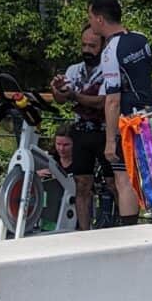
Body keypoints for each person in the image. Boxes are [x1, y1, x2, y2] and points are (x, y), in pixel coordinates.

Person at [88, 0, 152, 227]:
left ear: (99, 19)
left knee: (123, 176)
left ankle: (129, 228)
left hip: (128, 118)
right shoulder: (141, 39)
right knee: (144, 172)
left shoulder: (110, 51)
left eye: (90, 18)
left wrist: (110, 140)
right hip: (149, 111)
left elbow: (112, 100)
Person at [50, 25, 111, 230]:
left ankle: (123, 228)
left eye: (92, 45)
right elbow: (61, 99)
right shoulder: (74, 70)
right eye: (84, 45)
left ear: (103, 45)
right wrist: (58, 90)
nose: (87, 50)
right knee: (81, 183)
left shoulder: (110, 69)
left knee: (114, 182)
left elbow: (101, 102)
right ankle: (84, 232)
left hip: (106, 130)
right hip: (81, 130)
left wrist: (73, 96)